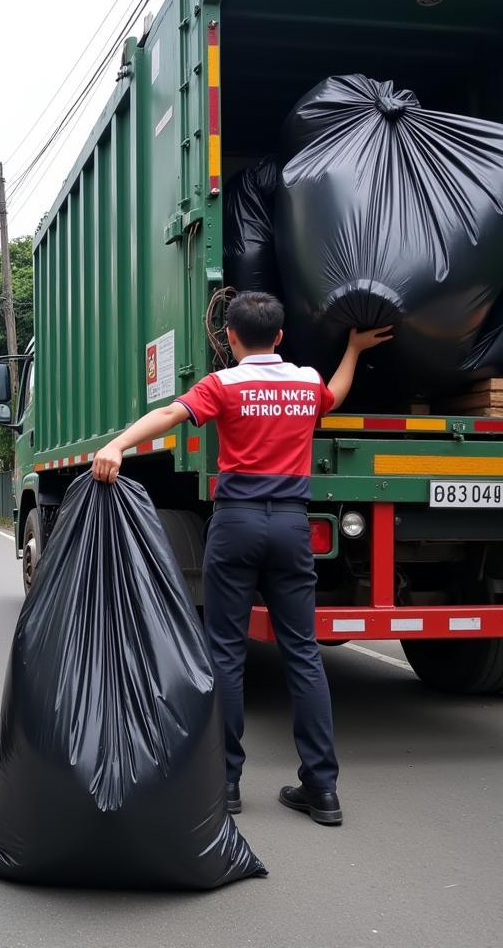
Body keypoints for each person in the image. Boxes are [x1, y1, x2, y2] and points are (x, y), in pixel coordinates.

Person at [92, 292, 392, 826]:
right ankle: (322, 790)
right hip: (291, 525)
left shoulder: (224, 384)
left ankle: (225, 783)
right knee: (303, 652)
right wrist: (352, 349)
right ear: (279, 337)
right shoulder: (303, 382)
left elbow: (169, 414)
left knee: (226, 654)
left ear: (229, 337)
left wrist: (116, 445)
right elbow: (336, 395)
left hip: (237, 522)